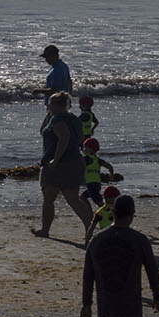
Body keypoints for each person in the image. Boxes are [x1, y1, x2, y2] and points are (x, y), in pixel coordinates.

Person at [32, 92, 94, 239]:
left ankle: (45, 230)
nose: (47, 106)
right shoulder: (73, 119)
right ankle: (89, 230)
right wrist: (49, 115)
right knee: (73, 199)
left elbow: (63, 138)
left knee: (49, 199)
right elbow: (79, 138)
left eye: (49, 104)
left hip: (59, 164)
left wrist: (55, 160)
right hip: (75, 161)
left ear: (55, 104)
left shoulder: (58, 120)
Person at [81, 137, 114, 209]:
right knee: (83, 197)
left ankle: (113, 213)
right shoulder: (98, 160)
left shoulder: (86, 159)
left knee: (101, 204)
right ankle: (90, 214)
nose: (83, 149)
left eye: (85, 147)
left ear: (90, 149)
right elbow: (110, 167)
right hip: (97, 185)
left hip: (91, 185)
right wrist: (111, 176)